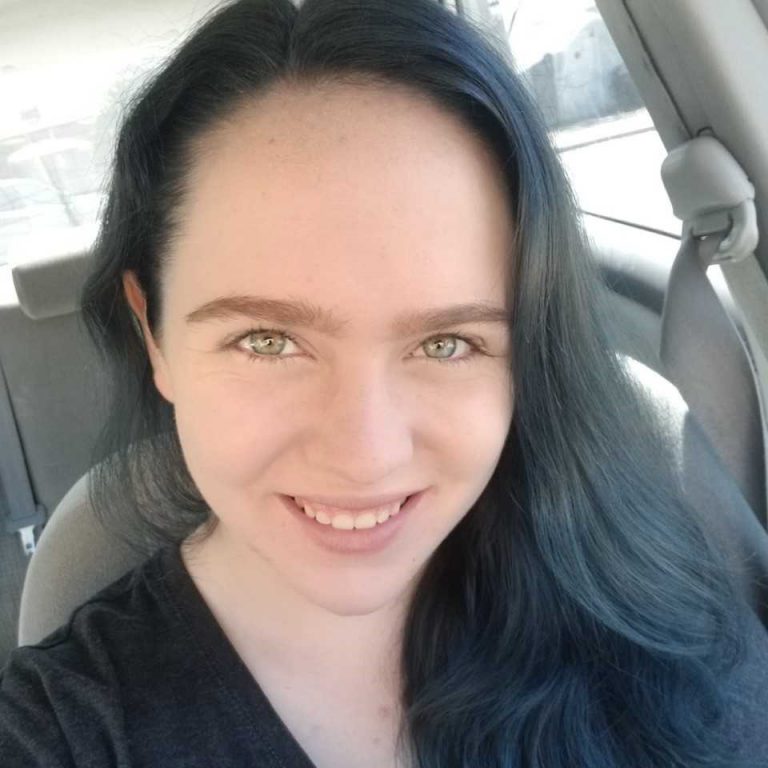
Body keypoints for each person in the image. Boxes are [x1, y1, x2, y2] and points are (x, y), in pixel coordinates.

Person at [1, 0, 767, 766]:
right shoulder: (60, 732)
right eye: (267, 341)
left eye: (446, 342)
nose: (364, 454)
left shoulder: (648, 589)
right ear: (153, 336)